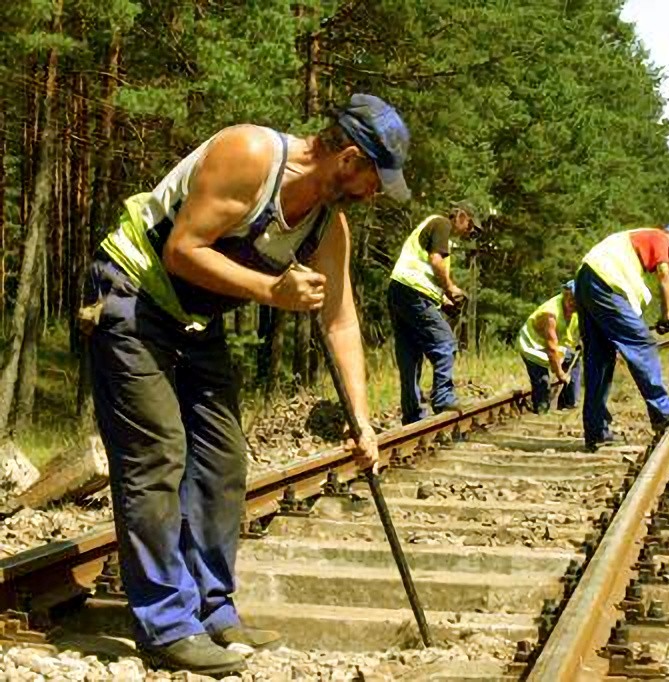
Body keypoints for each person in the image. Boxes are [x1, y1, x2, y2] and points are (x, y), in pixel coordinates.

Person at [81, 94, 410, 674]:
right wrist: (272, 291)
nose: (375, 195)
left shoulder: (327, 227)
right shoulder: (250, 154)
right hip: (132, 293)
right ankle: (167, 626)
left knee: (223, 459)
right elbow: (182, 250)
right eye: (374, 181)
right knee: (158, 455)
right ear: (350, 159)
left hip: (193, 319)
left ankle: (212, 610)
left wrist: (361, 420)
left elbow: (340, 320)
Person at [575, 223, 669, 450]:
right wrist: (667, 314)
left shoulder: (630, 250)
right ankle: (663, 411)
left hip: (586, 280)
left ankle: (596, 431)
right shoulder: (658, 237)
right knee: (642, 343)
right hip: (604, 281)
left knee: (599, 359)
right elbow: (665, 275)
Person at [387, 201, 480, 424]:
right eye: (470, 226)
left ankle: (412, 415)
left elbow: (427, 272)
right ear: (461, 217)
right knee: (445, 343)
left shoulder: (432, 227)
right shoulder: (442, 224)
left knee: (409, 354)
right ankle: (443, 398)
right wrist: (451, 288)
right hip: (414, 291)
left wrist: (442, 299)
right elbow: (436, 262)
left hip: (399, 290)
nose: (469, 233)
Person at [517, 280, 582, 413]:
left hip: (556, 346)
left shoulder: (581, 310)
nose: (573, 303)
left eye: (578, 300)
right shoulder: (550, 314)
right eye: (571, 298)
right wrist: (560, 373)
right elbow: (552, 349)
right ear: (565, 294)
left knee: (573, 359)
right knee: (542, 380)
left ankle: (570, 404)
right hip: (532, 346)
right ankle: (542, 409)